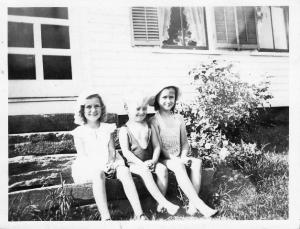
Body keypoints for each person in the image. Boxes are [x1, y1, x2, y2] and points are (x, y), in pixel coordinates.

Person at [72, 90, 147, 220]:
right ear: (82, 110)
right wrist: (101, 167)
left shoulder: (107, 128)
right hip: (91, 166)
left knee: (124, 171)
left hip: (110, 161)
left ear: (102, 108)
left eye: (96, 106)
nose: (93, 110)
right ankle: (106, 217)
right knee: (98, 174)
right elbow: (83, 156)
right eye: (88, 107)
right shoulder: (79, 132)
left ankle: (139, 213)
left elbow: (112, 150)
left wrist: (111, 164)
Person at [148, 85, 218, 218]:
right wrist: (176, 159)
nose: (168, 100)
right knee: (179, 165)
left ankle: (192, 205)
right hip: (164, 158)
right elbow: (160, 148)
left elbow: (185, 142)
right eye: (164, 97)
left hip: (179, 156)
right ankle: (200, 204)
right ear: (157, 100)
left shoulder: (179, 118)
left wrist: (184, 155)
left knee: (196, 162)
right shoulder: (154, 121)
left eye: (171, 97)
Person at [118, 93, 179, 215]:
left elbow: (157, 146)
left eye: (144, 109)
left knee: (162, 170)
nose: (141, 112)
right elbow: (126, 152)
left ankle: (158, 206)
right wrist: (142, 164)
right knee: (145, 172)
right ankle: (165, 203)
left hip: (151, 162)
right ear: (126, 109)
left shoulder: (149, 126)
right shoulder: (125, 130)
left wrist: (154, 161)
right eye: (138, 109)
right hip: (135, 164)